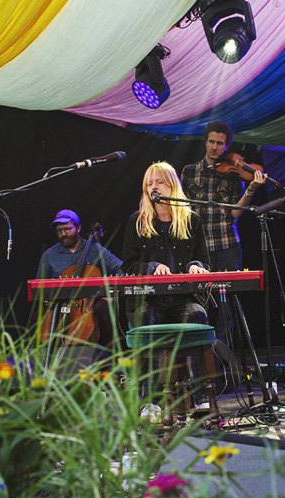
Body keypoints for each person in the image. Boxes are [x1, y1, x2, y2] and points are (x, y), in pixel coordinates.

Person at [180, 121, 266, 343]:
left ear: (226, 146)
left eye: (220, 143)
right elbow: (181, 209)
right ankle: (202, 354)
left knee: (227, 307)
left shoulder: (232, 174)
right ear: (205, 142)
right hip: (198, 248)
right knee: (198, 304)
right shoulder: (189, 172)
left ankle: (224, 361)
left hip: (226, 244)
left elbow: (236, 213)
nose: (215, 147)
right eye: (211, 142)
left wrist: (250, 190)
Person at [121, 162, 210, 327]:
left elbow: (204, 261)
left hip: (184, 297)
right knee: (145, 320)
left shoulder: (192, 220)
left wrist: (195, 266)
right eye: (149, 183)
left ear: (172, 185)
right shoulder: (137, 222)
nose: (154, 187)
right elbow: (128, 265)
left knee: (198, 317)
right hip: (148, 298)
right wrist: (153, 267)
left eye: (159, 182)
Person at [36, 209, 123, 348]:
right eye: (59, 231)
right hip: (60, 304)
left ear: (78, 227)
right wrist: (46, 297)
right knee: (38, 316)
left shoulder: (95, 248)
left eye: (66, 229)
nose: (63, 234)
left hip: (90, 303)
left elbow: (120, 269)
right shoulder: (50, 255)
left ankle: (110, 355)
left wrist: (110, 293)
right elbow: (40, 285)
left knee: (104, 309)